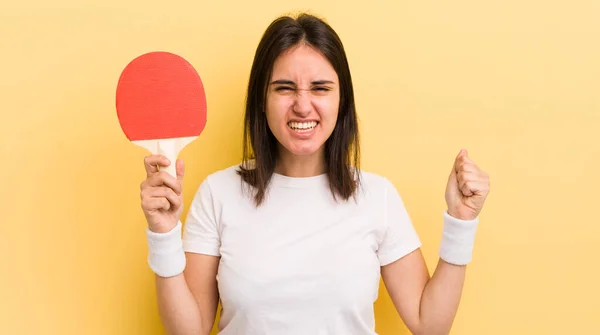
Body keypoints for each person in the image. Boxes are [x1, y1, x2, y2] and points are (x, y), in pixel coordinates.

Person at [139, 12, 490, 335]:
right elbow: (188, 331)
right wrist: (165, 235)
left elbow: (430, 323)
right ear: (262, 99)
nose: (303, 105)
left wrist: (461, 222)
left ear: (342, 100)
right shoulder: (218, 193)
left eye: (320, 88)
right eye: (284, 88)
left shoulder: (377, 196)